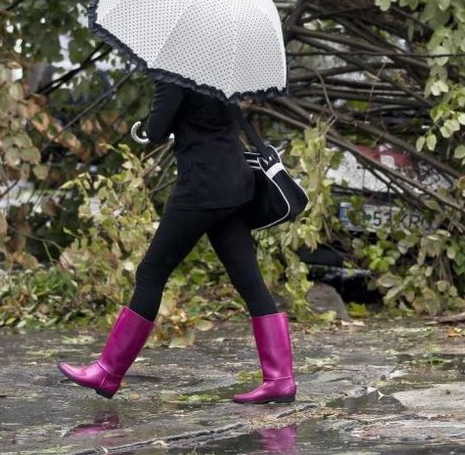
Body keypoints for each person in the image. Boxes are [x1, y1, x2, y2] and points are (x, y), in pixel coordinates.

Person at [57, 80, 296, 404]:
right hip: (236, 186)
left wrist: (149, 121)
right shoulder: (222, 66)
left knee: (151, 273)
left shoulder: (174, 74)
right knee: (249, 280)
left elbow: (156, 131)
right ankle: (280, 380)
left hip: (200, 190)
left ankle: (107, 371)